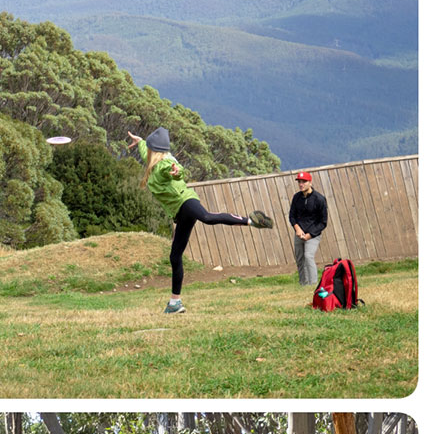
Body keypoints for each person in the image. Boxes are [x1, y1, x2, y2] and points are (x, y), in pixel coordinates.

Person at [128, 127, 273, 314]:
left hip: (185, 201)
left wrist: (176, 172)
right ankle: (175, 303)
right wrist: (139, 140)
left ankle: (251, 221)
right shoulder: (151, 156)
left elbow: (176, 169)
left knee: (207, 217)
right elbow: (143, 146)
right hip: (180, 213)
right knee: (175, 256)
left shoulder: (165, 163)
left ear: (155, 151)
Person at [288, 170, 328, 286]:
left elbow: (323, 222)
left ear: (310, 182)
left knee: (308, 256)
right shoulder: (296, 198)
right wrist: (297, 229)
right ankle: (303, 284)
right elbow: (292, 216)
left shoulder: (319, 199)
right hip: (299, 233)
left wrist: (310, 235)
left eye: (304, 182)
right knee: (300, 259)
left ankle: (314, 284)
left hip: (313, 234)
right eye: (299, 182)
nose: (301, 184)